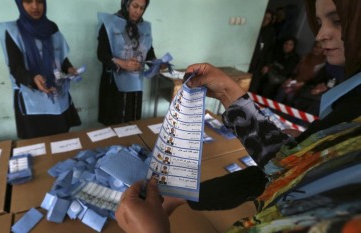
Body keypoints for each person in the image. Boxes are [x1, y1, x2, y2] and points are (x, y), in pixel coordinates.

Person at [115, 0, 361, 232]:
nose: (319, 35)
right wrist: (227, 92)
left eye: (337, 20)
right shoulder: (350, 107)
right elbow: (294, 167)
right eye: (319, 22)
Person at [0, 0, 81, 139]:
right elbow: (16, 68)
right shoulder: (13, 32)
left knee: (61, 138)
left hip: (56, 92)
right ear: (20, 4)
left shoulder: (51, 27)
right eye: (28, 1)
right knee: (39, 141)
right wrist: (33, 78)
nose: (35, 6)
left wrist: (69, 68)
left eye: (40, 1)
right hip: (32, 97)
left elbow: (59, 55)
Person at [97, 0, 157, 126]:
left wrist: (157, 64)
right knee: (114, 122)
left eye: (142, 8)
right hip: (114, 83)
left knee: (132, 121)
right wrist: (123, 64)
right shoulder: (110, 24)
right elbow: (102, 54)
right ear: (127, 4)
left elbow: (149, 53)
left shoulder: (144, 27)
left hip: (135, 83)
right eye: (135, 6)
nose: (138, 11)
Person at [274, 41, 326, 105]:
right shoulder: (306, 56)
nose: (317, 49)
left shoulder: (324, 63)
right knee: (282, 90)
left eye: (320, 47)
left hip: (306, 86)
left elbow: (316, 80)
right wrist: (290, 79)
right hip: (295, 81)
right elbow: (296, 71)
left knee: (290, 95)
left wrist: (302, 83)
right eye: (316, 46)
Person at [248, 10, 276, 94]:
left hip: (259, 64)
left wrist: (267, 65)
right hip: (248, 60)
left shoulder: (270, 32)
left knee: (252, 87)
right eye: (264, 17)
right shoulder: (252, 28)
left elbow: (270, 50)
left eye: (268, 18)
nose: (265, 20)